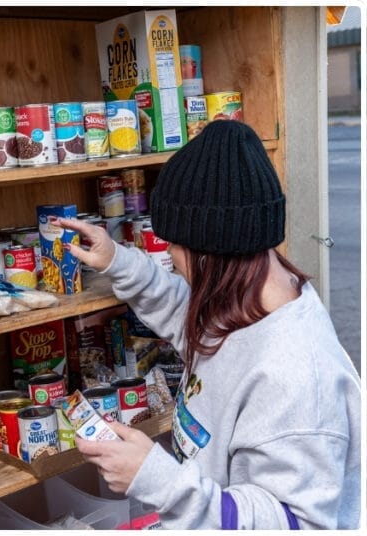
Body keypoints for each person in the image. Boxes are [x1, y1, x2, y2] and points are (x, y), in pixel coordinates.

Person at [60, 120, 361, 529]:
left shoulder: (296, 378)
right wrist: (118, 260)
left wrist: (157, 481)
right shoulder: (243, 301)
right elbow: (184, 311)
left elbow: (296, 525)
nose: (169, 253)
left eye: (175, 244)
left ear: (211, 252)